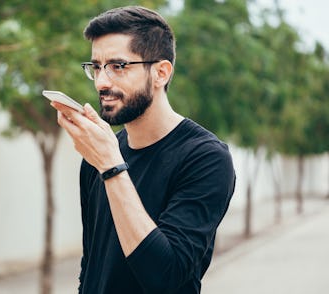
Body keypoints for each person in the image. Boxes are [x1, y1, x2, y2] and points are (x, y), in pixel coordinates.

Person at [51, 6, 236, 294]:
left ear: (160, 73)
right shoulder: (97, 158)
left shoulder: (206, 158)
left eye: (118, 66)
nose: (101, 82)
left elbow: (166, 277)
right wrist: (106, 160)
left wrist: (112, 166)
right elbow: (92, 267)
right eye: (96, 67)